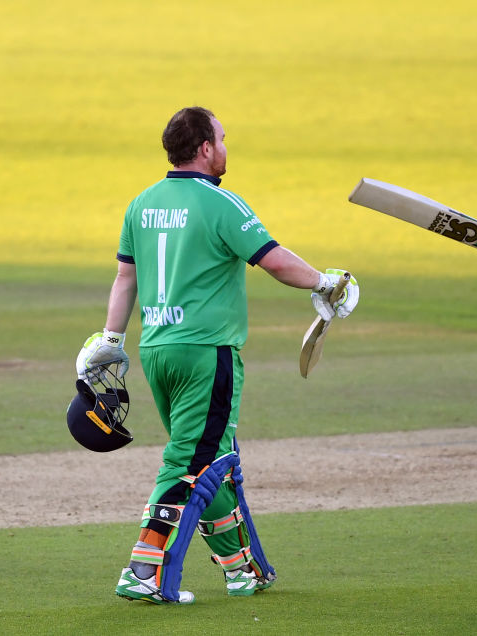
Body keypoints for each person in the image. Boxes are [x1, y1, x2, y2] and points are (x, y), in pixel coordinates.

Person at [75, 106, 359, 603]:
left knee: (210, 458)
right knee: (193, 461)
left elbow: (126, 278)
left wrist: (111, 339)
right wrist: (327, 282)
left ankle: (240, 569)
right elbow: (274, 260)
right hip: (207, 353)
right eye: (223, 139)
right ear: (205, 148)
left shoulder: (141, 204)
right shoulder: (221, 203)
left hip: (157, 351)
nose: (226, 148)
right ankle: (143, 570)